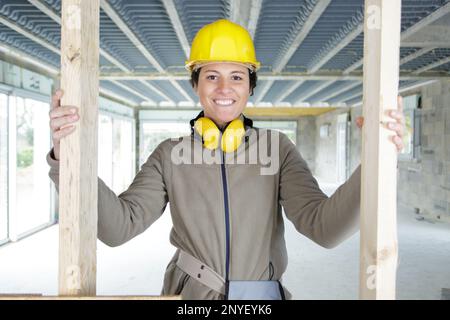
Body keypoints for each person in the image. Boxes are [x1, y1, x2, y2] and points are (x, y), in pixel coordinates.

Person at [47, 19, 405, 300]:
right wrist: (67, 159)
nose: (224, 88)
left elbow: (324, 228)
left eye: (236, 77)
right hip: (190, 300)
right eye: (211, 76)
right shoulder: (170, 155)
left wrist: (376, 162)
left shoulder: (277, 149)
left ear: (250, 86)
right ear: (196, 85)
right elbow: (117, 227)